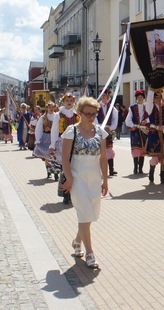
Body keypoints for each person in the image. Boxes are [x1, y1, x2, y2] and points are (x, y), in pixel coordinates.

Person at [60, 96, 109, 269]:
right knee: (85, 213)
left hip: (94, 179)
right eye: (87, 114)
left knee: (89, 216)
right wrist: (70, 177)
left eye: (94, 113)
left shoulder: (100, 132)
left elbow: (103, 158)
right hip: (78, 177)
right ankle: (90, 253)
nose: (91, 117)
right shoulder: (71, 131)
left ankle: (76, 241)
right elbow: (64, 157)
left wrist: (105, 181)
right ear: (79, 113)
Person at [144, 90, 164, 185]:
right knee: (154, 158)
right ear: (153, 99)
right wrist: (152, 89)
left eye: (160, 97)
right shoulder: (150, 108)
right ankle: (151, 172)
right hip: (154, 134)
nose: (158, 99)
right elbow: (149, 99)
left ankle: (162, 177)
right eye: (156, 97)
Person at [34, 101, 60, 179]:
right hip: (46, 136)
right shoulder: (43, 117)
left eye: (52, 107)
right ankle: (48, 171)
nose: (51, 109)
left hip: (55, 137)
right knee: (47, 155)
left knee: (55, 155)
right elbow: (38, 128)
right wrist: (38, 139)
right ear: (47, 108)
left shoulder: (57, 116)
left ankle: (56, 172)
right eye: (49, 107)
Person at [125, 89, 149, 174]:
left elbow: (151, 117)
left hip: (144, 131)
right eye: (138, 97)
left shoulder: (147, 107)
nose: (140, 98)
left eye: (141, 97)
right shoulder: (132, 107)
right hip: (135, 131)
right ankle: (135, 168)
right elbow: (128, 120)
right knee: (135, 149)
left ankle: (140, 168)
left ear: (143, 98)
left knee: (143, 149)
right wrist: (133, 126)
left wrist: (146, 121)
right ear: (136, 98)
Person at [97, 89, 118, 176]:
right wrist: (100, 127)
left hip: (108, 132)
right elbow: (94, 119)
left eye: (106, 95)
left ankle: (111, 169)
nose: (104, 97)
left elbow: (114, 120)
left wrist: (110, 128)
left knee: (109, 150)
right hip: (99, 132)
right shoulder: (97, 107)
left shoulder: (112, 108)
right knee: (99, 151)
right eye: (103, 95)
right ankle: (100, 170)